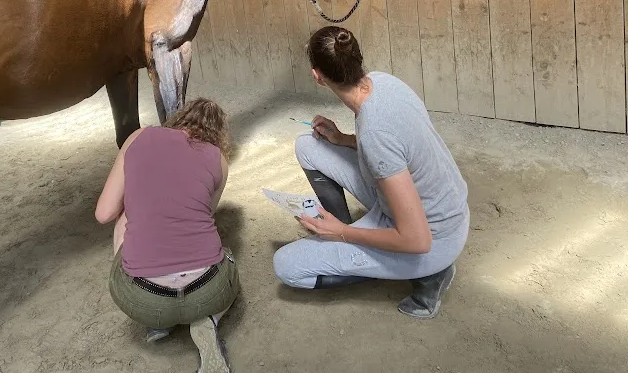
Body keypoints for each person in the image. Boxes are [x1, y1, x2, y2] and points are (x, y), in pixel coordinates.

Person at [273, 26, 470, 319]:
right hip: (439, 204)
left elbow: (418, 240)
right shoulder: (382, 82)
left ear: (317, 77)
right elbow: (394, 146)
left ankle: (432, 277)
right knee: (308, 145)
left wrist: (342, 233)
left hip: (434, 240)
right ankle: (348, 234)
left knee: (286, 265)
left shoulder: (376, 133)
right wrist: (341, 139)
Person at [95, 98, 238, 373]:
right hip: (208, 292)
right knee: (227, 257)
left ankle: (157, 321)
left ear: (178, 119)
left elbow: (103, 213)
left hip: (143, 301)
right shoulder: (218, 159)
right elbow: (207, 213)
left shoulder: (138, 137)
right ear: (217, 135)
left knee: (124, 214)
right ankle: (208, 320)